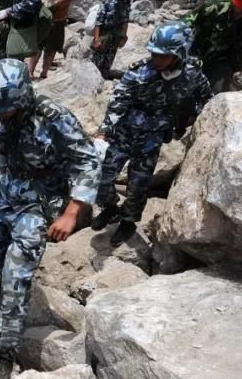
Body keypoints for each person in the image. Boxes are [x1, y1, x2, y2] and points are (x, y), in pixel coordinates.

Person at [0, 59, 101, 379]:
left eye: (5, 111)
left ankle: (6, 350)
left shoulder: (54, 118)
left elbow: (88, 162)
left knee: (15, 275)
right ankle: (0, 304)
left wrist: (72, 212)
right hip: (8, 194)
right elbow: (3, 147)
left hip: (39, 203)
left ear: (23, 99)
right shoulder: (0, 110)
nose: (0, 116)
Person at [91, 23, 213, 245]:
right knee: (102, 177)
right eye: (154, 54)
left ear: (179, 54)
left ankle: (128, 221)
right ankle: (110, 208)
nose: (157, 59)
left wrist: (191, 119)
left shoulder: (192, 74)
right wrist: (105, 130)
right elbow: (118, 102)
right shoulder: (138, 72)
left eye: (163, 56)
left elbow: (206, 99)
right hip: (124, 133)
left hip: (152, 138)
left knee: (138, 184)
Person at [91, 0, 137, 79]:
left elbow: (125, 21)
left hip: (115, 36)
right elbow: (98, 22)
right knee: (97, 61)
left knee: (108, 61)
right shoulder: (107, 2)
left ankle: (103, 79)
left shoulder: (126, 3)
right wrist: (96, 40)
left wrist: (123, 37)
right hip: (104, 35)